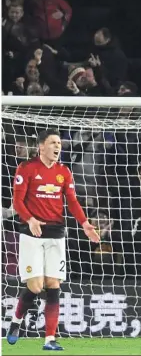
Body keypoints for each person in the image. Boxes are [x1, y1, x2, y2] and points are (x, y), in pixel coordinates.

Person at [7, 129, 100, 351]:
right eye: (53, 143)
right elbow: (18, 201)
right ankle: (16, 321)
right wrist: (30, 219)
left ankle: (50, 339)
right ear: (41, 146)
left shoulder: (64, 172)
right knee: (36, 286)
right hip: (32, 234)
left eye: (59, 143)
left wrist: (85, 223)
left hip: (56, 234)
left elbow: (73, 202)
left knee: (53, 285)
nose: (57, 146)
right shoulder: (26, 168)